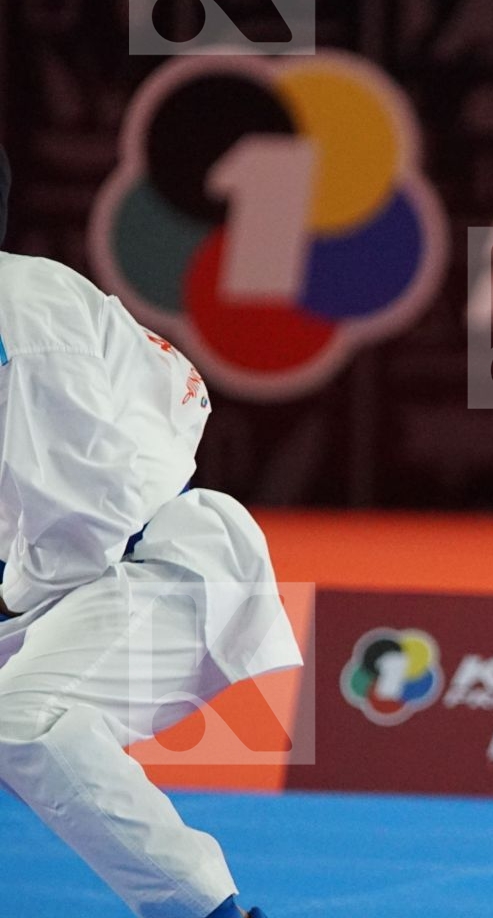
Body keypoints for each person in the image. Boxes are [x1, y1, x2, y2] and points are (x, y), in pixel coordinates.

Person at [0, 148, 299, 918]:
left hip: (148, 564)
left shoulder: (19, 312)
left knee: (31, 721)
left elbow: (86, 517)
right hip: (53, 575)